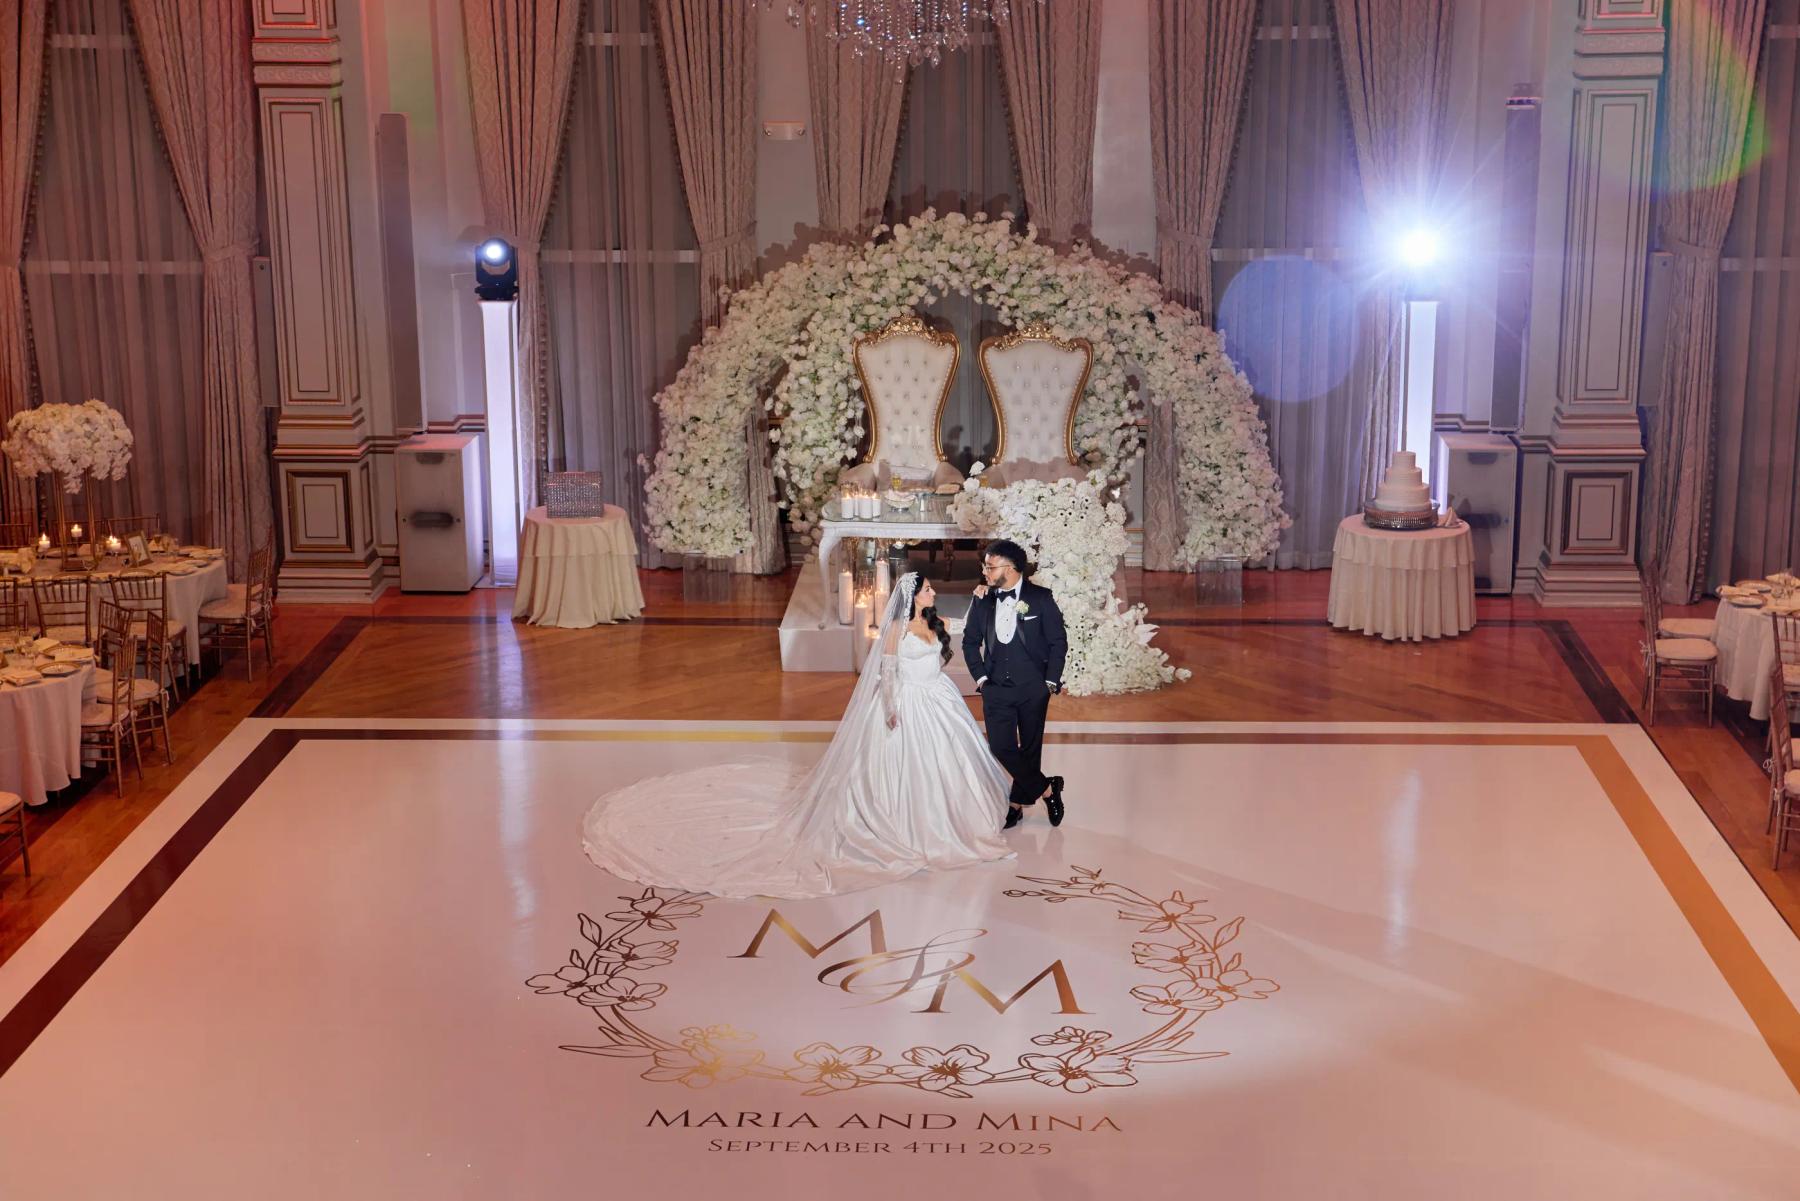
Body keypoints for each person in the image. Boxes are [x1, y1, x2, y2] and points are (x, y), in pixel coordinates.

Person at [581, 573, 1014, 899]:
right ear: (913, 596)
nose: (933, 594)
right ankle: (902, 829)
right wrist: (890, 710)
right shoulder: (897, 631)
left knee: (950, 762)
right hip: (906, 705)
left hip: (937, 700)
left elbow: (964, 630)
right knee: (897, 770)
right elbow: (885, 673)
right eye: (928, 590)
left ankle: (952, 823)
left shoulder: (936, 623)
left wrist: (981, 602)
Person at [963, 539, 1067, 829]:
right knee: (1001, 747)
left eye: (990, 566)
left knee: (1031, 748)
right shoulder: (983, 598)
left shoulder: (1041, 598)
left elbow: (1058, 641)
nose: (984, 571)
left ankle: (1016, 803)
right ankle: (1047, 789)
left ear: (1009, 568)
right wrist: (982, 679)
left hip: (1034, 688)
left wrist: (1049, 682)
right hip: (995, 687)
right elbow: (970, 642)